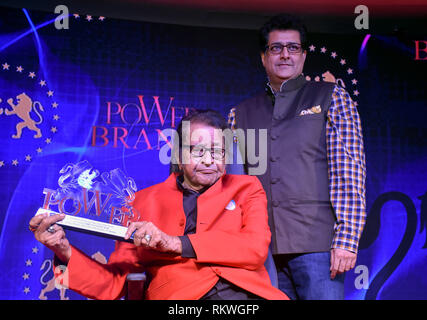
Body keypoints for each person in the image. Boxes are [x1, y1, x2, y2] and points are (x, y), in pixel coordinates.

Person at [29, 109, 288, 300]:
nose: (209, 160)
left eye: (218, 151)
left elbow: (254, 248)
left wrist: (174, 243)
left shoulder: (247, 187)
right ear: (178, 154)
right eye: (198, 151)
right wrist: (63, 252)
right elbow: (111, 287)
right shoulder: (142, 201)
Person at [228, 14, 366, 300]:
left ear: (304, 55)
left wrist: (347, 240)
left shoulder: (332, 97)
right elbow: (233, 186)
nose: (285, 55)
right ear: (263, 57)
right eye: (276, 48)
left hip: (317, 245)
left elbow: (349, 170)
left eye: (293, 48)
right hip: (260, 249)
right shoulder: (240, 113)